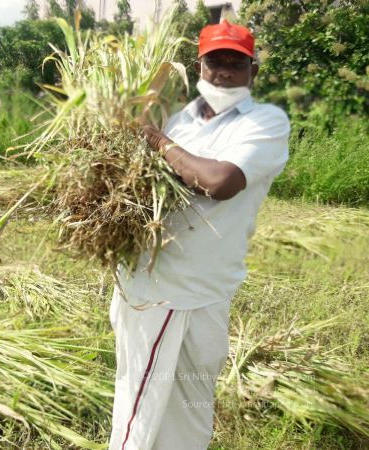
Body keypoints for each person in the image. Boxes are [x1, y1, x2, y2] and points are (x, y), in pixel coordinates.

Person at [108, 20, 290, 450]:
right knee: (140, 414)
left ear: (253, 73)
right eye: (215, 62)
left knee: (188, 411)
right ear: (199, 67)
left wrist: (153, 137)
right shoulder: (177, 120)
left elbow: (220, 181)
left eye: (236, 63)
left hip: (203, 294)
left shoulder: (264, 122)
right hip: (154, 293)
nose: (224, 72)